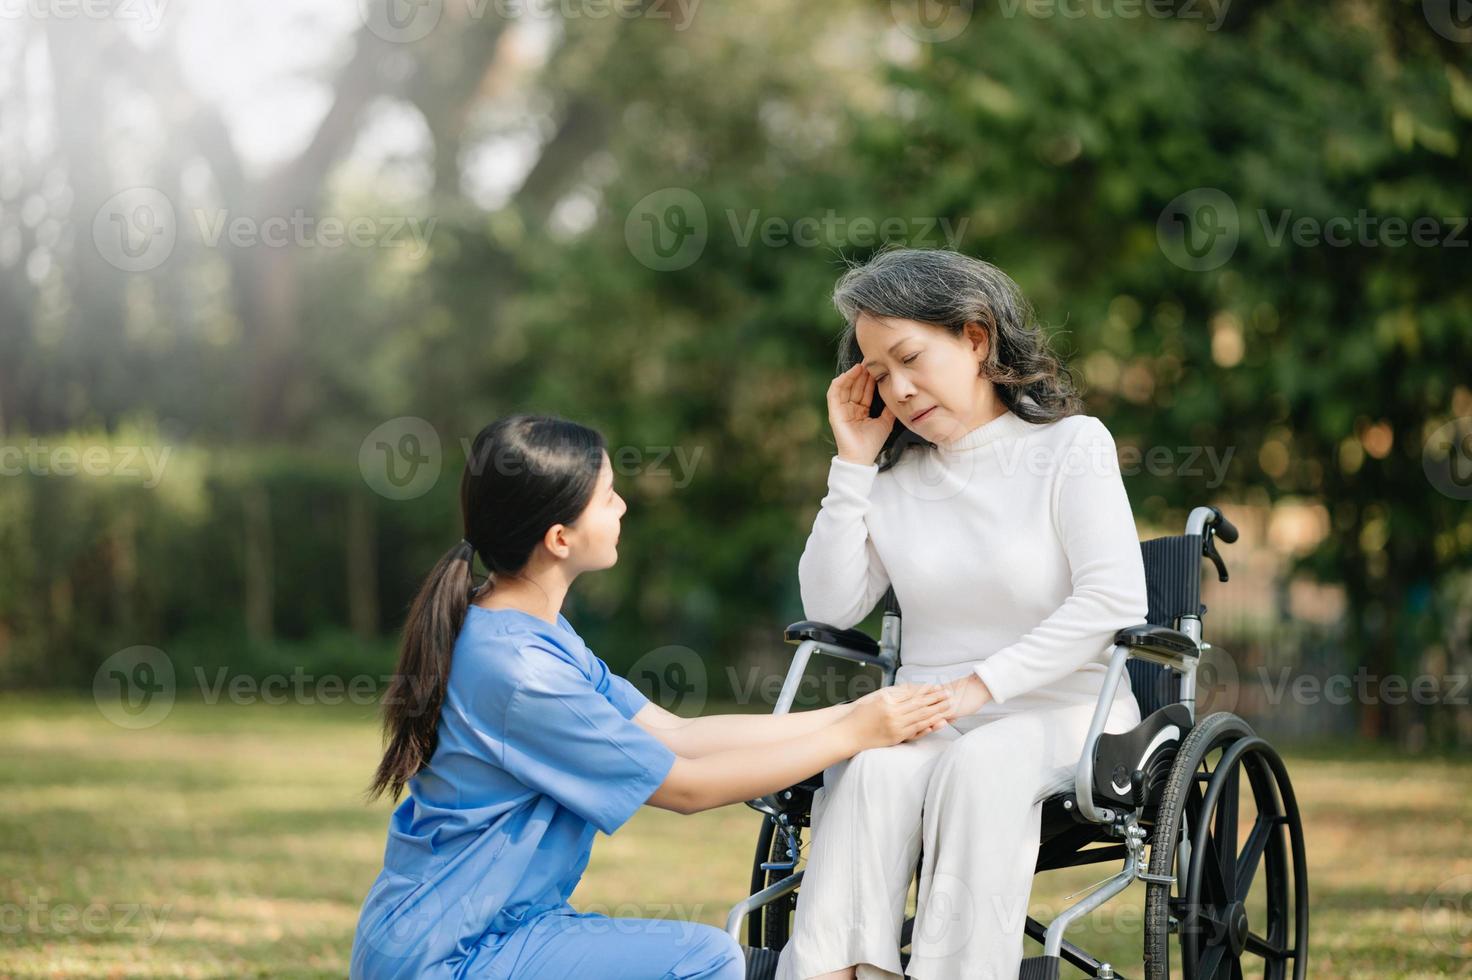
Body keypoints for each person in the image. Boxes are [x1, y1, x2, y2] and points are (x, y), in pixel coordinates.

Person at [349, 413, 957, 979]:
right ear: (560, 538)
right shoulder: (519, 671)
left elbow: (677, 734)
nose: (623, 506)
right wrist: (851, 737)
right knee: (703, 960)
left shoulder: (532, 631)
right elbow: (685, 788)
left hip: (485, 932)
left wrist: (855, 713)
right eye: (607, 496)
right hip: (452, 955)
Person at [774, 247, 1150, 980]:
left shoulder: (1071, 447)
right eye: (879, 375)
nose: (901, 389)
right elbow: (830, 604)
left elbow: (1111, 602)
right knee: (871, 768)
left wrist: (978, 688)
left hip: (1069, 709)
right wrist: (851, 463)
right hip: (933, 717)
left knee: (985, 760)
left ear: (976, 338)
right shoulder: (894, 479)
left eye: (911, 358)